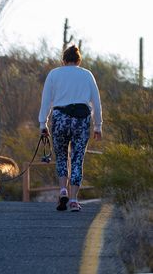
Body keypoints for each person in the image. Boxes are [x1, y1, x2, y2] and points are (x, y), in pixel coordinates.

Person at [38, 44, 103, 212]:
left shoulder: (54, 74)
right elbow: (96, 102)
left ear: (64, 60)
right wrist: (98, 125)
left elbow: (46, 100)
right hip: (81, 120)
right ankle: (73, 200)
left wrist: (42, 123)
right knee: (77, 158)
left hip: (60, 118)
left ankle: (63, 190)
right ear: (78, 61)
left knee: (61, 156)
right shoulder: (87, 75)